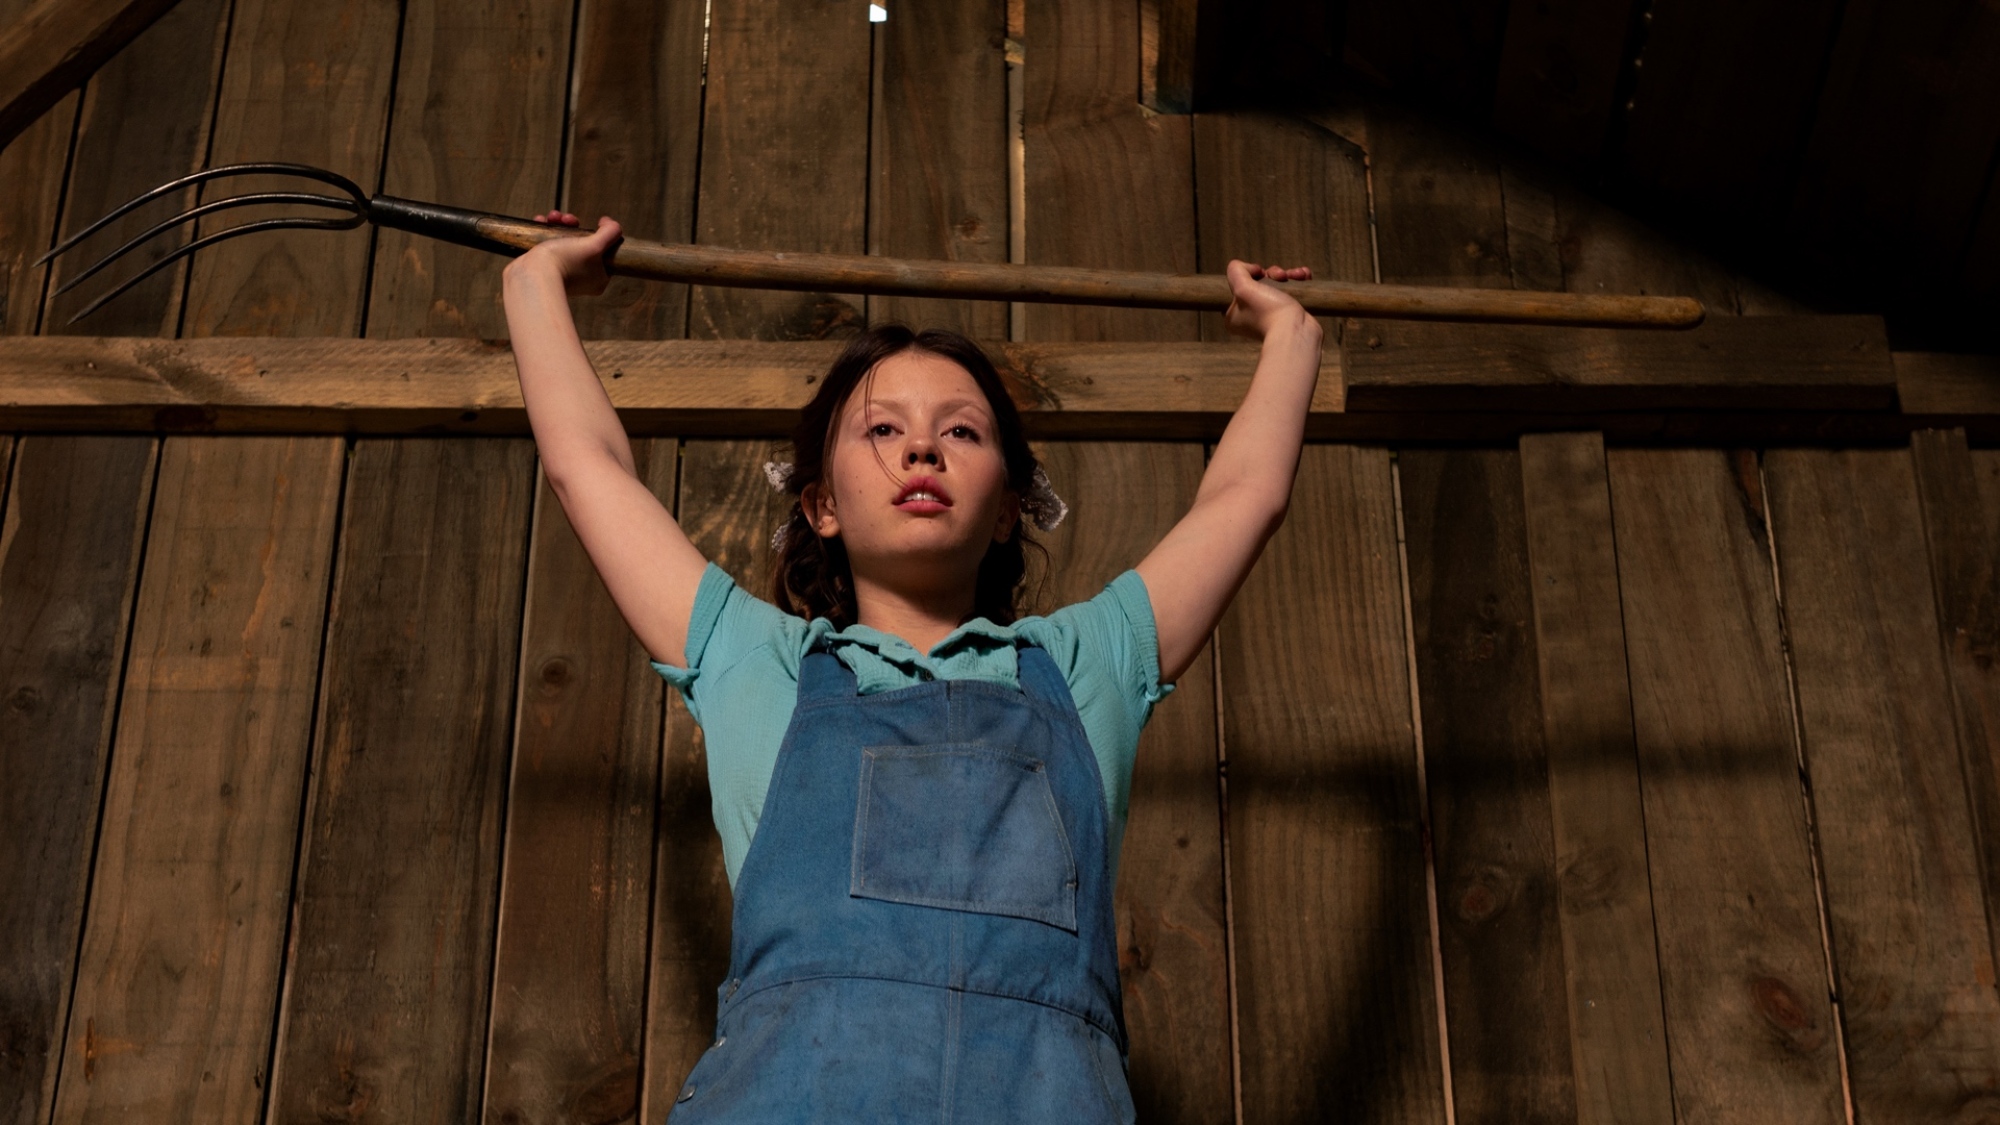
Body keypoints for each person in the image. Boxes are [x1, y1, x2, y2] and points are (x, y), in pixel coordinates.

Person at [503, 212, 1321, 1124]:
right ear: (820, 503)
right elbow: (589, 466)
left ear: (1011, 508)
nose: (923, 448)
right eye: (882, 428)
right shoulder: (758, 665)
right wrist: (535, 283)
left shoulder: (1087, 668)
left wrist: (1290, 332)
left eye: (962, 432)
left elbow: (1248, 494)